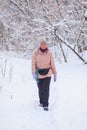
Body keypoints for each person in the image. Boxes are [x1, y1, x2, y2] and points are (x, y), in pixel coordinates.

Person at [32, 41, 57, 111]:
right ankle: (41, 102)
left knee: (46, 88)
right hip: (39, 73)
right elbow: (33, 63)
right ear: (40, 45)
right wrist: (33, 73)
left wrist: (55, 73)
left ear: (46, 45)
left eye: (44, 45)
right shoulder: (36, 53)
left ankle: (46, 105)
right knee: (40, 88)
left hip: (48, 73)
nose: (43, 46)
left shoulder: (49, 54)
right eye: (42, 45)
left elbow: (52, 64)